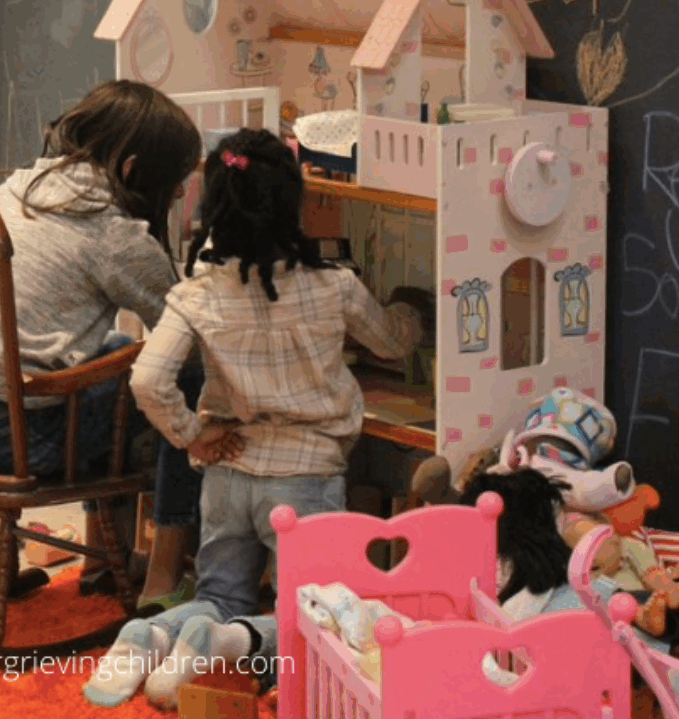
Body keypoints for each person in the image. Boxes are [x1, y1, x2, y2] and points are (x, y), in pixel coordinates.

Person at [82, 128, 424, 709]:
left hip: (228, 469)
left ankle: (148, 637)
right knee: (322, 618)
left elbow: (148, 379)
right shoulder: (331, 285)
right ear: (290, 204)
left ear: (214, 206)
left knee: (219, 594)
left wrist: (193, 435)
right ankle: (227, 644)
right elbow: (390, 342)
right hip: (306, 479)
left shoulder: (197, 293)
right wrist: (412, 310)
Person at [0, 80, 207, 597]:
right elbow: (188, 336)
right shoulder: (113, 234)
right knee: (188, 374)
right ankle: (165, 568)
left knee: (111, 354)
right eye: (175, 181)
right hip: (10, 440)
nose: (179, 194)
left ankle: (99, 559)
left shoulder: (5, 195)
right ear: (133, 170)